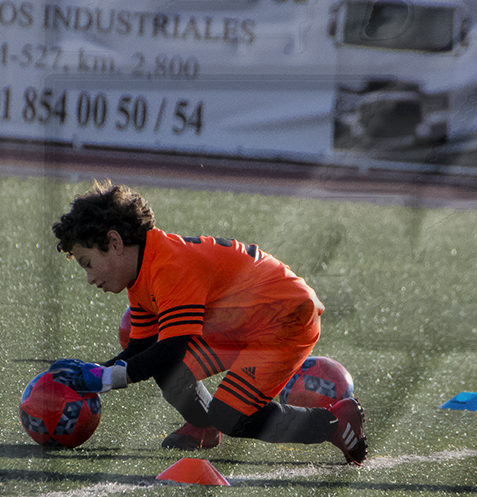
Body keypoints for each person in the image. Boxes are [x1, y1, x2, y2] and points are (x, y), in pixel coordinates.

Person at [48, 179, 367, 465]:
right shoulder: (145, 271)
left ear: (115, 242)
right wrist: (95, 373)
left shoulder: (169, 265)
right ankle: (204, 426)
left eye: (88, 263)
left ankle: (334, 424)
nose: (90, 278)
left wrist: (103, 378)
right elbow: (142, 348)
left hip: (285, 319)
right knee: (167, 369)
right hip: (241, 322)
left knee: (231, 417)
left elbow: (173, 348)